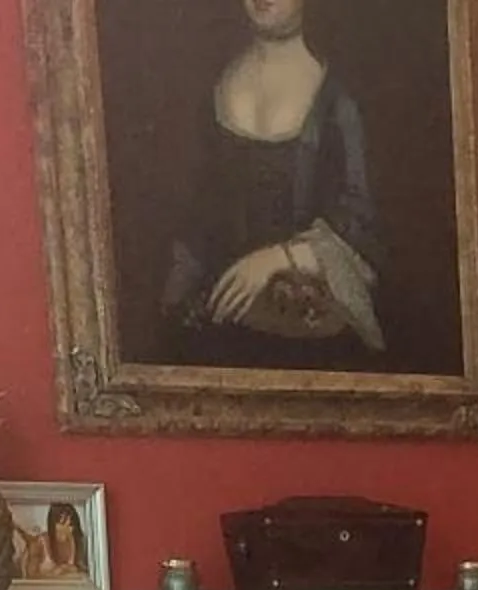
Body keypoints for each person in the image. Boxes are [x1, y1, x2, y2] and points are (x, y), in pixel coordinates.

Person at [164, 0, 386, 369]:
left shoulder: (337, 103)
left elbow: (361, 224)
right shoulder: (214, 89)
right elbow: (197, 218)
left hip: (310, 332)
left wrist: (278, 258)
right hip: (221, 316)